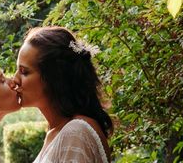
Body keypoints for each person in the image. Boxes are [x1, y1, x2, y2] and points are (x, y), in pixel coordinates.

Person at [12, 26, 112, 163]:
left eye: (24, 72)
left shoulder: (76, 132)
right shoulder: (56, 132)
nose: (14, 80)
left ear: (53, 78)